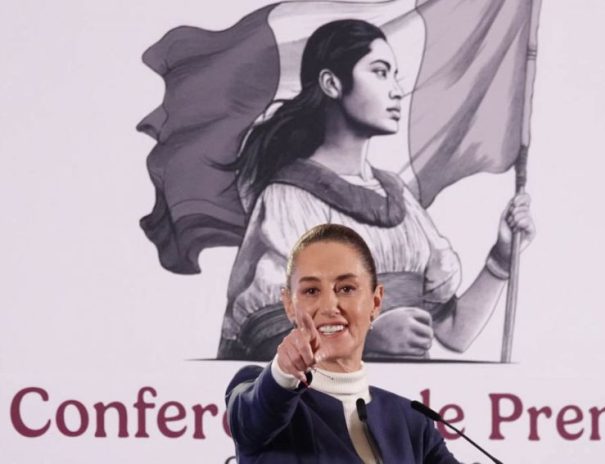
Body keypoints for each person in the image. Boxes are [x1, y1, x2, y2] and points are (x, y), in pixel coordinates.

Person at [217, 19, 535, 360]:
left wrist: (501, 258)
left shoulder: (399, 198)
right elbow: (265, 341)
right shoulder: (289, 198)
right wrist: (362, 341)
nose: (397, 89)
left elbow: (453, 332)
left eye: (394, 74)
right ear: (331, 83)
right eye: (380, 72)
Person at [225, 224, 460, 463]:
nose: (329, 306)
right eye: (311, 290)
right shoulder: (262, 397)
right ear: (288, 305)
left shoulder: (412, 422)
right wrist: (284, 372)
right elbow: (255, 414)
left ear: (376, 301)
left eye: (346, 288)